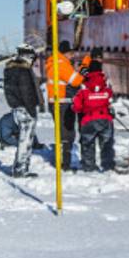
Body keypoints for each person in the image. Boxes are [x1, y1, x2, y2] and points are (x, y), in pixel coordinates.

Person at [45, 40, 84, 170]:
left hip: (56, 102)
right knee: (67, 134)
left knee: (61, 132)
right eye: (71, 53)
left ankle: (62, 161)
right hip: (62, 103)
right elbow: (76, 81)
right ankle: (64, 164)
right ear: (65, 53)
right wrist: (81, 72)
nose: (72, 56)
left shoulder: (54, 62)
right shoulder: (62, 64)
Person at [4, 45, 42, 178]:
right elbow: (27, 92)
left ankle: (20, 168)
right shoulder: (23, 71)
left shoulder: (10, 70)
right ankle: (20, 169)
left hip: (17, 108)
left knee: (24, 139)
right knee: (26, 140)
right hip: (26, 109)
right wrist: (32, 109)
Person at [72, 59, 115, 172]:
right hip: (105, 120)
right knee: (106, 144)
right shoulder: (106, 86)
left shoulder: (84, 88)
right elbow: (110, 100)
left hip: (88, 120)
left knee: (88, 144)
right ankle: (108, 167)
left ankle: (89, 167)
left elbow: (77, 107)